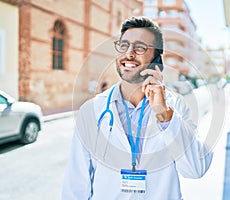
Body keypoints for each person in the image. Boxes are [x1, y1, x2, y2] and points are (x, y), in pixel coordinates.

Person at [62, 16, 213, 199]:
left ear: (157, 59)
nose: (129, 54)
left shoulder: (175, 107)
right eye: (124, 46)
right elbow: (75, 186)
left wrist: (164, 116)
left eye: (140, 47)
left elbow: (196, 169)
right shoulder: (92, 110)